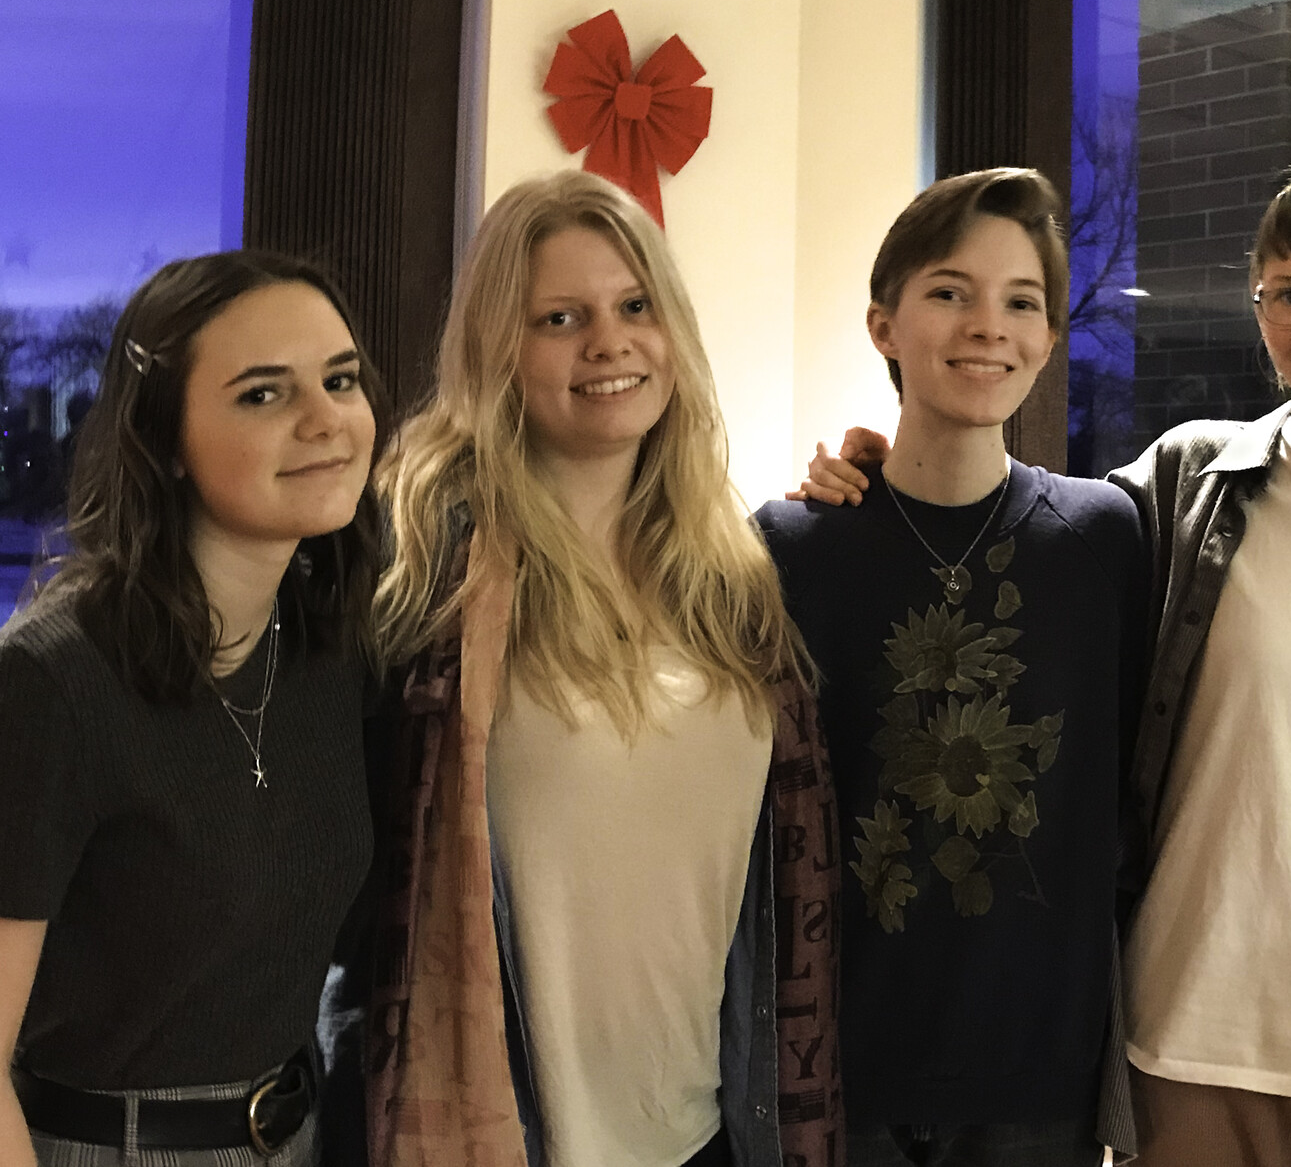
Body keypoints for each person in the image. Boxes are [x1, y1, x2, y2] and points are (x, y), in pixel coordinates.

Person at [800, 157, 1291, 1167]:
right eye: (1290, 295)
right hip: (1192, 1045)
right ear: (1258, 308)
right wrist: (869, 480)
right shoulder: (1183, 481)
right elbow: (1006, 529)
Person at [359, 169, 842, 1167]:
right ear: (500, 347)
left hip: (716, 1132)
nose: (609, 343)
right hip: (513, 1135)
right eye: (559, 318)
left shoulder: (736, 576)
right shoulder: (429, 578)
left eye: (634, 307)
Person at [756, 167, 1149, 1167]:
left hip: (1036, 1077)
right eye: (948, 293)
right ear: (883, 325)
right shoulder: (791, 546)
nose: (988, 326)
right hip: (834, 1072)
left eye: (1021, 302)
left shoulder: (1101, 539)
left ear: (1050, 338)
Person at [0, 251, 385, 1166]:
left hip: (299, 1135)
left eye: (340, 379)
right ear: (165, 440)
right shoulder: (53, 686)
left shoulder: (332, 647)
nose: (326, 420)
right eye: (263, 394)